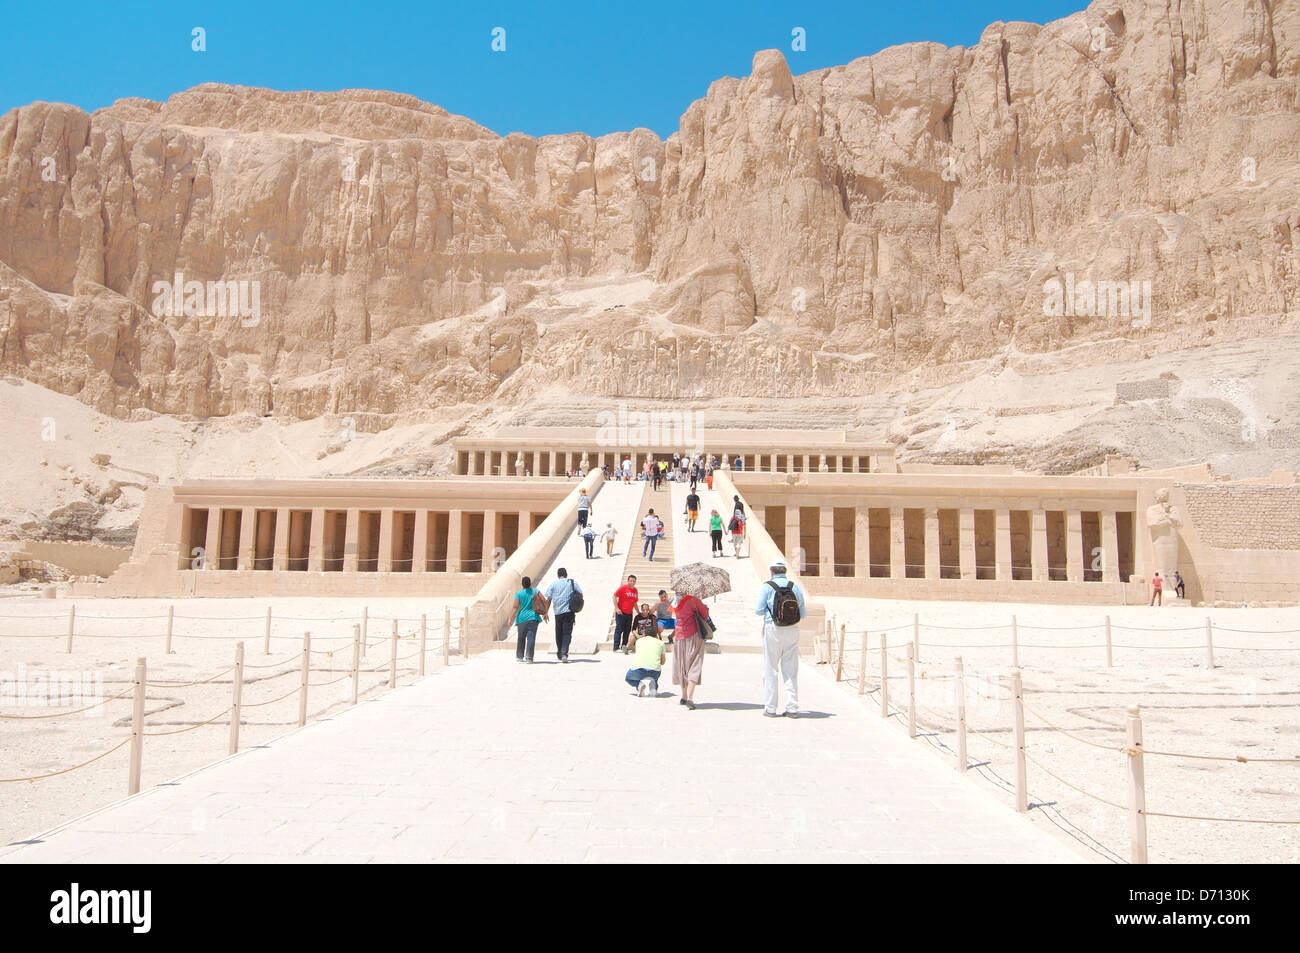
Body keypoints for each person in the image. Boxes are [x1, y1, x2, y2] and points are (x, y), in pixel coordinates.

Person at [754, 561, 806, 717]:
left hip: (773, 628)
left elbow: (758, 610)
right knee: (790, 669)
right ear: (785, 571)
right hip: (792, 629)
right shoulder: (794, 587)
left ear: (772, 572)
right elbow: (802, 614)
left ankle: (770, 707)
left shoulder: (767, 586)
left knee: (771, 667)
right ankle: (792, 707)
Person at [671, 588, 710, 709]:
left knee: (682, 666)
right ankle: (690, 698)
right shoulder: (694, 600)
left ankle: (683, 696)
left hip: (679, 636)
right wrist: (704, 606)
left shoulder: (675, 601)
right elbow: (705, 614)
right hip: (693, 635)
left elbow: (674, 614)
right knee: (694, 664)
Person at [625, 608, 666, 697]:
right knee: (655, 673)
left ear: (645, 634)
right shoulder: (661, 643)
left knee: (628, 678)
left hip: (638, 670)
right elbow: (662, 662)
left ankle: (639, 685)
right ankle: (653, 687)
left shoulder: (639, 641)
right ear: (655, 635)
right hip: (654, 671)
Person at [544, 568, 582, 662]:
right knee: (567, 633)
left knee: (558, 633)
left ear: (558, 575)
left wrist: (545, 612)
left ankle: (560, 653)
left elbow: (548, 599)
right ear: (566, 574)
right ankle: (564, 653)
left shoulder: (553, 584)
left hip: (557, 613)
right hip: (569, 612)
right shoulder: (571, 582)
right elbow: (581, 594)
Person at [514, 575, 545, 663]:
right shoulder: (535, 591)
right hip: (533, 617)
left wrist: (510, 618)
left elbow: (515, 607)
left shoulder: (519, 594)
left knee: (521, 638)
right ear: (530, 583)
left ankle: (520, 657)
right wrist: (545, 612)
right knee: (531, 638)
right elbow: (544, 600)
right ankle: (529, 658)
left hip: (522, 618)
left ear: (522, 584)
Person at [612, 574, 638, 653]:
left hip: (629, 613)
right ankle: (616, 647)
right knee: (619, 629)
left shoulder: (635, 590)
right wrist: (616, 608)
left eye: (634, 581)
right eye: (631, 581)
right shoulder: (623, 588)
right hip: (621, 613)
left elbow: (634, 603)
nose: (632, 582)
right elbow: (614, 596)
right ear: (628, 581)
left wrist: (638, 612)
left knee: (627, 630)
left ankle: (624, 646)